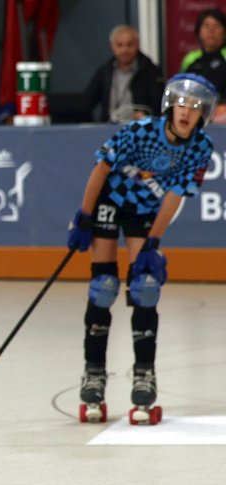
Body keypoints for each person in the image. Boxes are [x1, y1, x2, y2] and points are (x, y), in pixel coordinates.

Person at [67, 73, 216, 424]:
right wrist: (85, 216)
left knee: (145, 287)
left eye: (195, 107)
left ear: (203, 115)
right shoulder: (141, 131)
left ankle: (143, 375)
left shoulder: (200, 149)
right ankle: (94, 373)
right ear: (170, 105)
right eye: (182, 103)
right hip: (111, 201)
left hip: (145, 211)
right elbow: (101, 168)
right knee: (102, 288)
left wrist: (154, 243)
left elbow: (175, 195)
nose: (186, 111)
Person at [80, 25, 164, 123]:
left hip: (139, 129)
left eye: (129, 45)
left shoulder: (151, 71)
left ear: (137, 45)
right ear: (112, 46)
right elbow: (87, 101)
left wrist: (147, 117)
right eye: (120, 45)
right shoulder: (105, 71)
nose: (124, 50)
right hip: (107, 129)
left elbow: (159, 106)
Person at [180, 7, 226, 122]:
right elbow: (181, 89)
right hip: (193, 115)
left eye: (216, 26)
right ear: (199, 31)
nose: (211, 30)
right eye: (206, 26)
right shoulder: (190, 58)